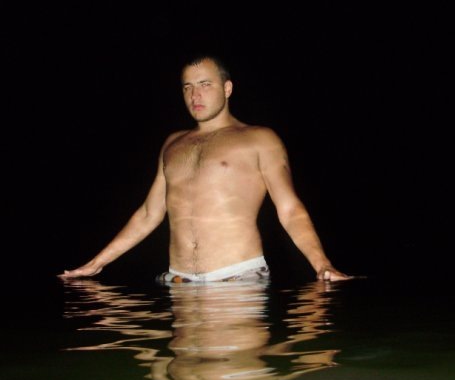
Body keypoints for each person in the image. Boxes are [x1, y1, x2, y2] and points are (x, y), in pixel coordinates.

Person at [59, 54, 350, 283]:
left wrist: (321, 264)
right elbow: (149, 213)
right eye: (187, 87)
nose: (195, 95)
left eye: (205, 84)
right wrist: (96, 263)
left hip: (237, 277)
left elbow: (290, 209)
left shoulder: (259, 139)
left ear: (227, 88)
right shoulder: (172, 144)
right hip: (179, 280)